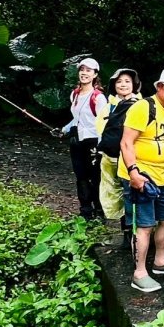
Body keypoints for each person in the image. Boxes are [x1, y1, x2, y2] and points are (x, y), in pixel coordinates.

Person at [118, 68, 164, 292]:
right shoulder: (144, 107)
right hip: (140, 174)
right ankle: (139, 272)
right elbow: (126, 142)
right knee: (144, 225)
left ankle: (160, 261)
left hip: (162, 175)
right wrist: (133, 172)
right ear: (159, 87)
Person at [96, 68, 141, 246]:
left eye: (127, 81)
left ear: (134, 84)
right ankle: (125, 231)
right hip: (110, 157)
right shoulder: (109, 106)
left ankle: (133, 234)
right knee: (117, 195)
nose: (123, 85)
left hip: (131, 158)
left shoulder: (141, 105)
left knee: (131, 195)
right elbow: (100, 128)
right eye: (119, 81)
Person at [60, 57, 108, 220]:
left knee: (95, 178)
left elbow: (102, 122)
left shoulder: (99, 97)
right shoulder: (75, 94)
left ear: (95, 74)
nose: (84, 73)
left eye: (88, 70)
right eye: (82, 70)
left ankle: (100, 212)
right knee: (80, 177)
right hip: (77, 141)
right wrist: (64, 130)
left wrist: (101, 146)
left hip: (93, 142)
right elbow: (76, 118)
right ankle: (85, 211)